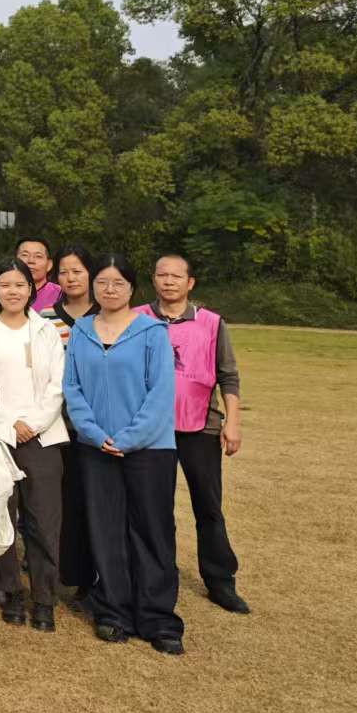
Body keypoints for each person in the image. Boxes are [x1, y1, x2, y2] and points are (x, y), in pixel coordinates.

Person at [62, 254, 184, 655]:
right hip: (96, 448)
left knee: (152, 531)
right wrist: (95, 434)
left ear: (132, 288)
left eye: (118, 283)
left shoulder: (152, 332)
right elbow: (72, 388)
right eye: (102, 282)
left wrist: (129, 438)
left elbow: (161, 393)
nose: (109, 289)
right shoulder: (81, 331)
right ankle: (113, 611)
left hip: (149, 449)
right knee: (106, 531)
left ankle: (158, 617)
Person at [137, 254, 250, 614]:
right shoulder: (137, 318)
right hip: (151, 430)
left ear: (190, 283)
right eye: (162, 275)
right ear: (154, 280)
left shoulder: (212, 323)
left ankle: (221, 580)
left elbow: (228, 375)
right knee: (155, 508)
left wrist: (233, 422)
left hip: (200, 427)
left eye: (176, 276)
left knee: (208, 506)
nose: (169, 281)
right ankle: (156, 575)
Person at [0, 259, 68, 633]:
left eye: (20, 285)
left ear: (31, 289)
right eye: (5, 284)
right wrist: (7, 425)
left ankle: (44, 597)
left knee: (44, 522)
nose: (13, 291)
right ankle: (10, 589)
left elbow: (58, 384)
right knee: (2, 517)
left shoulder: (46, 329)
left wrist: (33, 423)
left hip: (42, 436)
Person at [41, 244, 99, 609]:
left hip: (98, 426)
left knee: (98, 503)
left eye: (78, 270)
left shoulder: (107, 314)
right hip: (59, 426)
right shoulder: (46, 318)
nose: (71, 277)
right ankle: (76, 578)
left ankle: (101, 577)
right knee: (69, 504)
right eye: (64, 271)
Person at [43, 245, 98, 337]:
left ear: (90, 272)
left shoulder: (106, 313)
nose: (70, 278)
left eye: (77, 272)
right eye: (63, 273)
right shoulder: (46, 316)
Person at [17, 236, 62, 312]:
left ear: (49, 265)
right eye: (25, 255)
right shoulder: (2, 292)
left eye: (38, 256)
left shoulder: (61, 294)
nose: (31, 261)